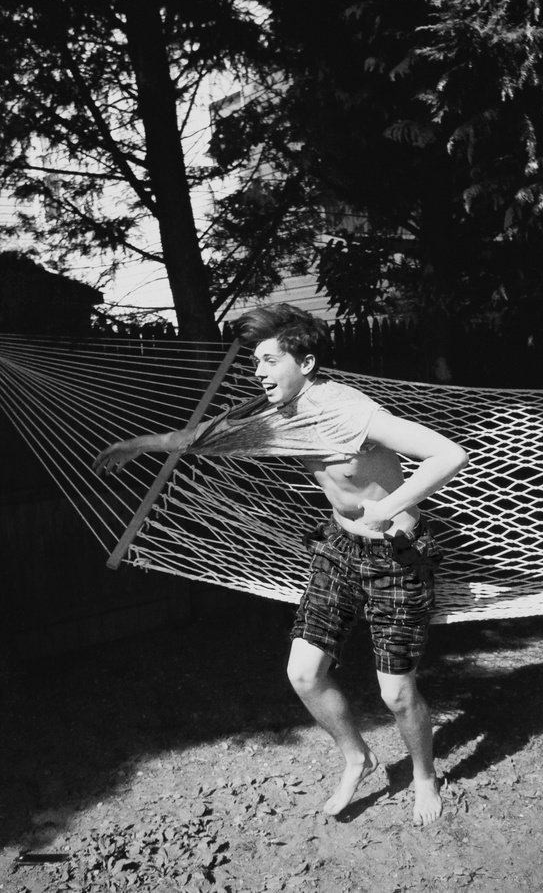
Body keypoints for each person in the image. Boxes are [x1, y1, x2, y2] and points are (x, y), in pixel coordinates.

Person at [94, 304, 468, 826]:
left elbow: (447, 455)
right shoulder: (277, 415)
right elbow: (196, 438)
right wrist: (136, 444)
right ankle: (357, 757)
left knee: (396, 693)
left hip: (397, 558)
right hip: (339, 548)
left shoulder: (346, 410)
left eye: (270, 360)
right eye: (255, 362)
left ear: (307, 363)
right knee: (303, 673)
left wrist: (386, 507)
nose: (259, 371)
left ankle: (424, 777)